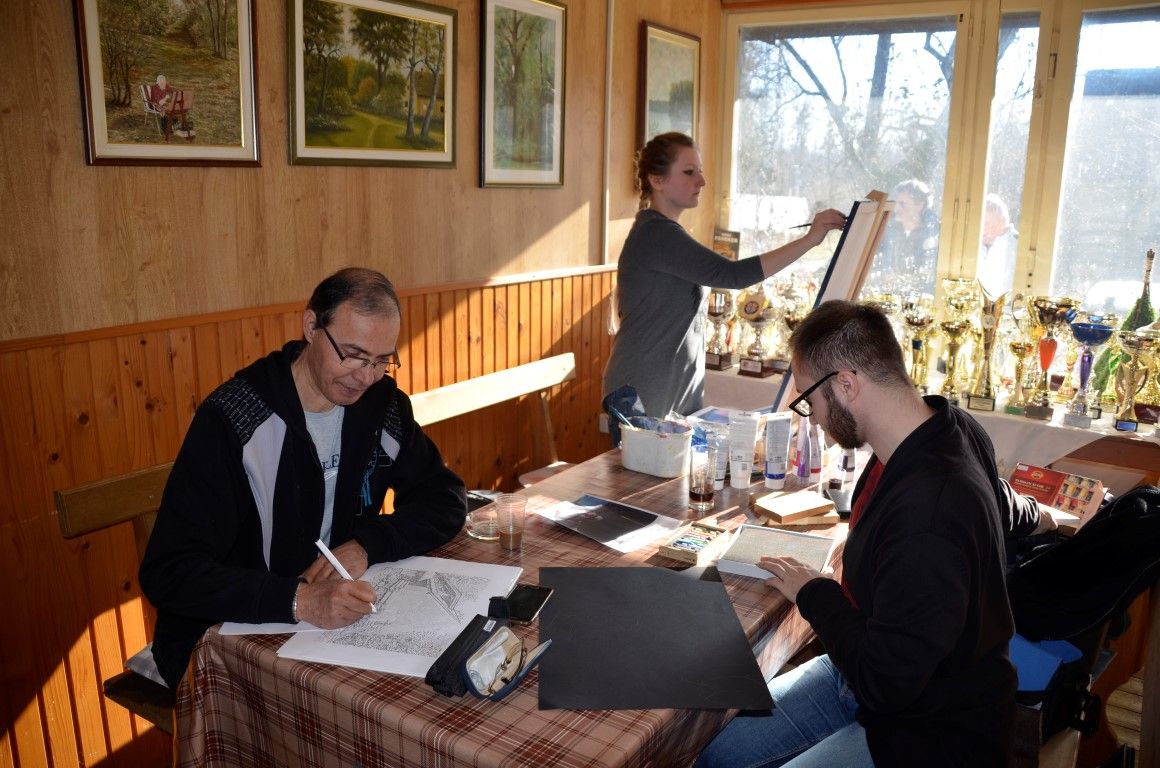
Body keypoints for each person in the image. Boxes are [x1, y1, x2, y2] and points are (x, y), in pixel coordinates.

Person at [696, 300, 1033, 768]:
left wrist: (816, 594)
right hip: (862, 668)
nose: (812, 417)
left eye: (809, 401)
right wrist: (1045, 517)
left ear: (846, 385)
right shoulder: (942, 425)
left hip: (927, 730)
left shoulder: (928, 513)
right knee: (717, 756)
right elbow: (999, 502)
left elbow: (884, 682)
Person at [140, 267, 467, 690]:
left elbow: (445, 499)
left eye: (381, 360)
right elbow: (170, 572)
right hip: (229, 641)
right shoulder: (235, 419)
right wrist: (299, 600)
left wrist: (366, 545)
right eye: (352, 354)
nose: (366, 376)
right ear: (311, 326)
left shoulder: (383, 405)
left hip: (329, 634)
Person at [601, 132, 845, 418]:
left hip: (674, 392)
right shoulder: (656, 234)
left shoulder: (665, 232)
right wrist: (810, 240)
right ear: (657, 180)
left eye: (700, 171)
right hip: (642, 391)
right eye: (689, 172)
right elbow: (733, 275)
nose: (701, 181)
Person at [873, 179, 940, 296]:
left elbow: (927, 277)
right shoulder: (887, 232)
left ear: (920, 205)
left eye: (902, 204)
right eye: (896, 203)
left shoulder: (932, 236)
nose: (896, 208)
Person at [977, 193, 1018, 298]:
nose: (982, 228)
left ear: (1002, 221)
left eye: (986, 223)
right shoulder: (975, 242)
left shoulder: (1018, 246)